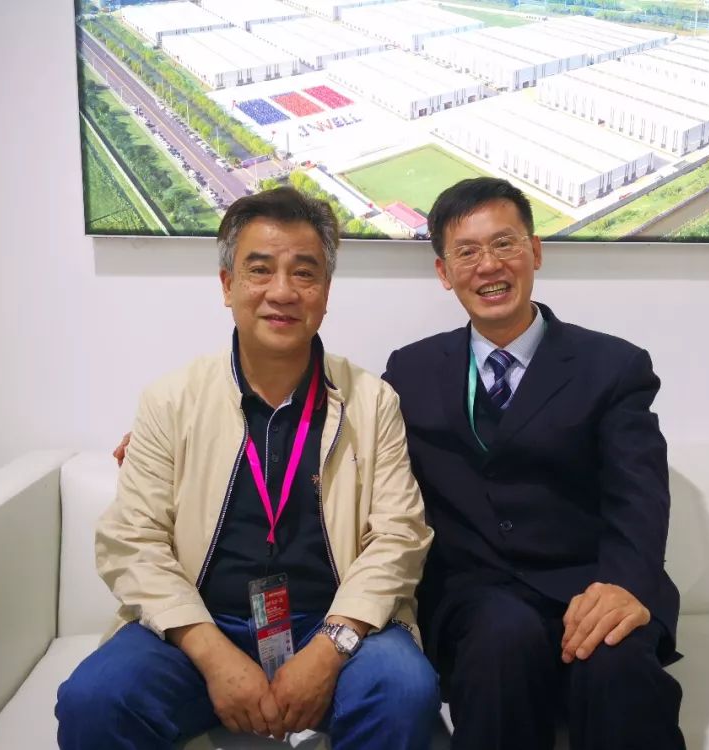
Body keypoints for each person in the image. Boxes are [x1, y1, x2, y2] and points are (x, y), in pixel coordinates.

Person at [58, 187, 439, 750]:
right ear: (227, 285)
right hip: (202, 621)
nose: (282, 292)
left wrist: (328, 649)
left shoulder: (372, 401)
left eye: (304, 273)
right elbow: (133, 542)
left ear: (326, 292)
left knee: (404, 689)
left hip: (333, 620)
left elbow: (399, 537)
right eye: (259, 270)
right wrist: (213, 655)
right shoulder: (171, 400)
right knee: (95, 699)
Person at [381, 177, 685, 750]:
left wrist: (623, 585)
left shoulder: (612, 366)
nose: (488, 266)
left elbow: (639, 496)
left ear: (536, 251)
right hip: (476, 596)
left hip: (592, 581)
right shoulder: (411, 371)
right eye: (467, 252)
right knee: (501, 642)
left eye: (504, 244)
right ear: (444, 272)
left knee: (616, 664)